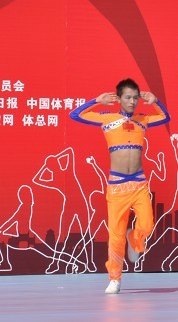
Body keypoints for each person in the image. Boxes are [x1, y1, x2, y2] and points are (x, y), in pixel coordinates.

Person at [69, 78, 170, 293]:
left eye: (135, 98)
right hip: (117, 186)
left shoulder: (143, 119)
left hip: (139, 184)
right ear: (119, 98)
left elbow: (165, 117)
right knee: (115, 236)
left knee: (147, 225)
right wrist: (97, 101)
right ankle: (115, 278)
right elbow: (75, 115)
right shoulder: (107, 119)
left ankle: (134, 238)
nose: (132, 102)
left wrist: (156, 102)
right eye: (128, 97)